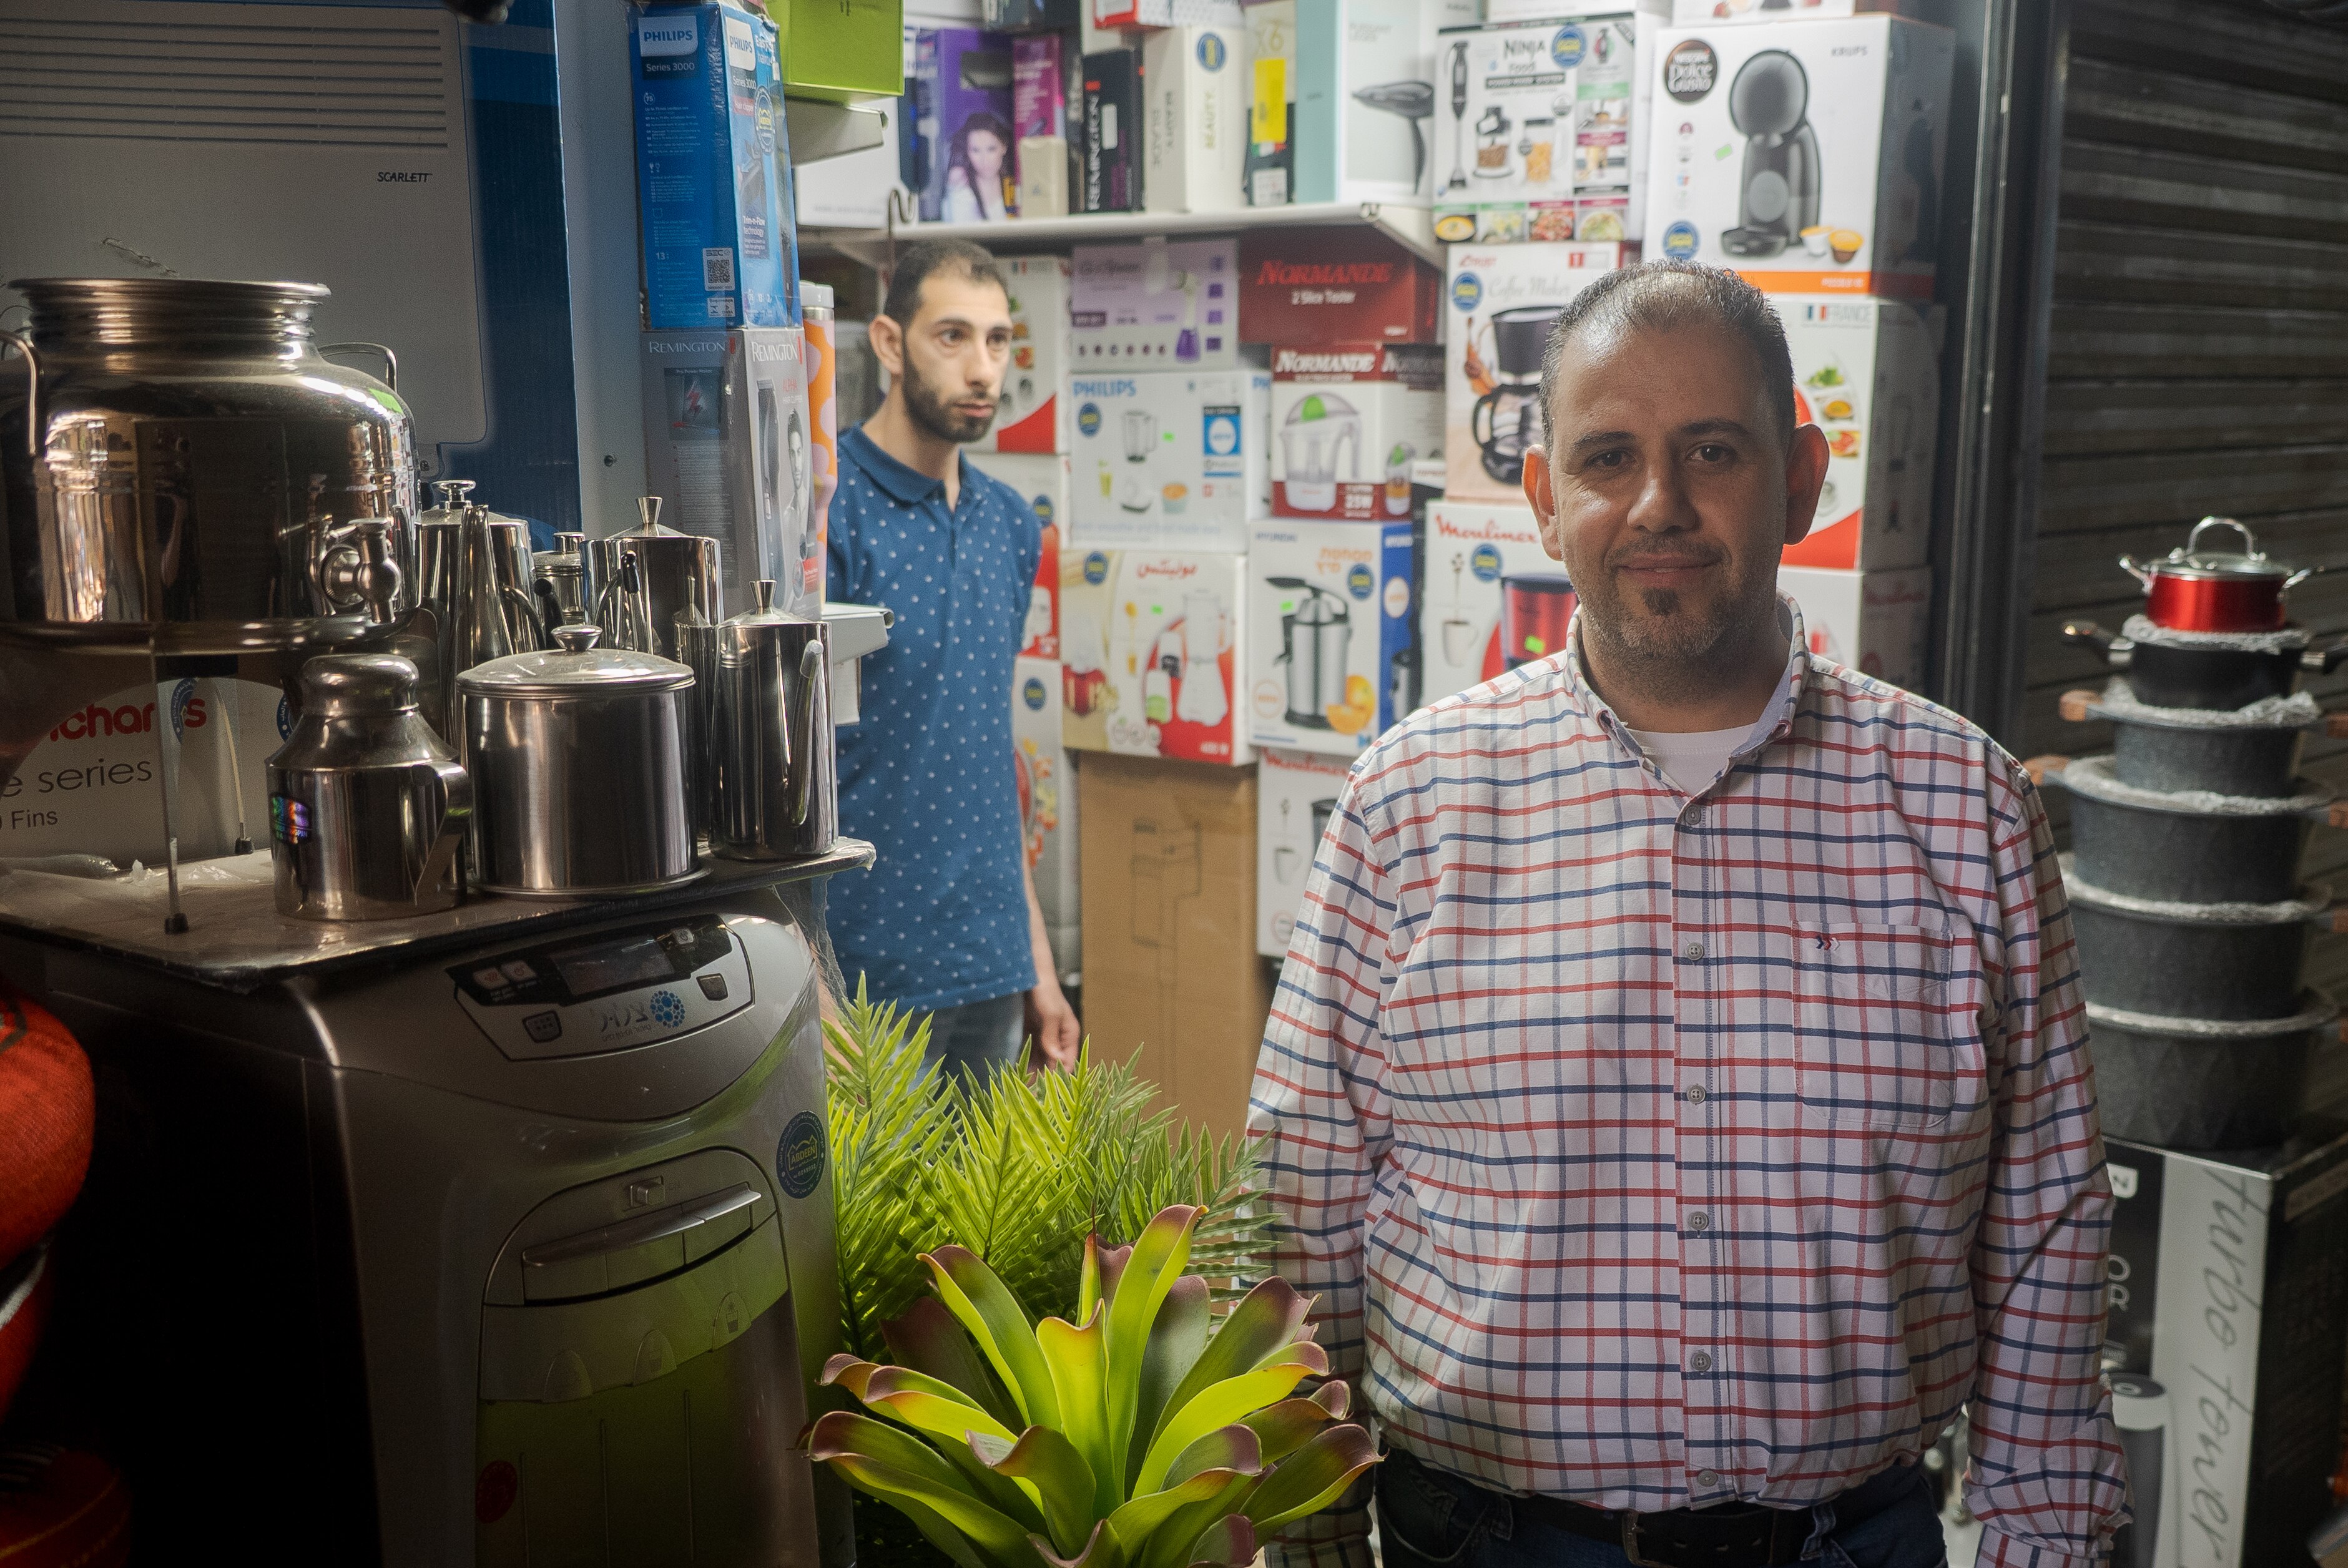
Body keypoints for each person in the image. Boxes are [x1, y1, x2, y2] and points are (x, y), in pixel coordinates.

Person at [1248, 262, 2124, 1568]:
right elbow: (1298, 1213)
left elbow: (2046, 1232)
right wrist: (1307, 1544)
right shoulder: (1407, 805)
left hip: (1846, 1542)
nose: (1656, 504)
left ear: (1802, 477)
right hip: (1479, 1541)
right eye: (1607, 456)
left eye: (1711, 449)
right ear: (1544, 499)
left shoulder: (1965, 807)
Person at [827, 238, 1079, 1076]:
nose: (983, 370)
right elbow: (793, 773)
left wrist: (1037, 965)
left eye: (998, 341)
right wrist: (812, 981)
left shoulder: (1011, 523)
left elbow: (983, 754)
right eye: (953, 337)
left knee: (993, 1212)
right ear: (891, 344)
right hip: (868, 976)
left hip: (992, 965)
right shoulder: (832, 513)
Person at [940, 112, 1013, 223]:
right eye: (976, 150)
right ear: (967, 152)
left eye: (991, 149)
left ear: (1004, 147)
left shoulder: (1014, 181)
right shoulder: (960, 187)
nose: (985, 160)